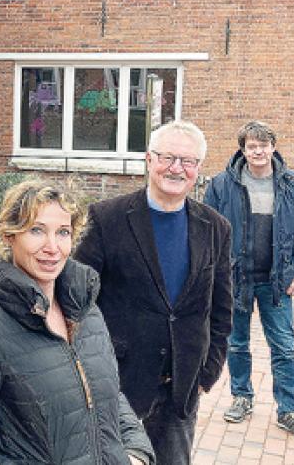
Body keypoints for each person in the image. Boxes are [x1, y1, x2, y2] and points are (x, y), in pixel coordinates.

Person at [0, 179, 156, 465]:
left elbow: (107, 393)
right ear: (9, 236)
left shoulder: (87, 312)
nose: (52, 247)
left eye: (63, 232)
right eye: (37, 230)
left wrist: (136, 452)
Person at [75, 120, 233, 465]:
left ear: (198, 169)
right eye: (167, 157)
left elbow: (221, 309)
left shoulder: (216, 227)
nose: (176, 168)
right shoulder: (107, 218)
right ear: (149, 159)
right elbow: (77, 300)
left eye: (187, 161)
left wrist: (208, 371)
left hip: (180, 389)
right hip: (118, 384)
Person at [203, 120, 294, 442]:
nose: (258, 151)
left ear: (273, 147)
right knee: (236, 343)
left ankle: (288, 410)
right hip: (235, 279)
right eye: (251, 146)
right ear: (243, 149)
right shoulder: (222, 184)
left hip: (276, 281)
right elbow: (205, 231)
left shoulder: (292, 184)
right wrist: (213, 274)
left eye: (263, 145)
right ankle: (241, 396)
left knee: (283, 347)